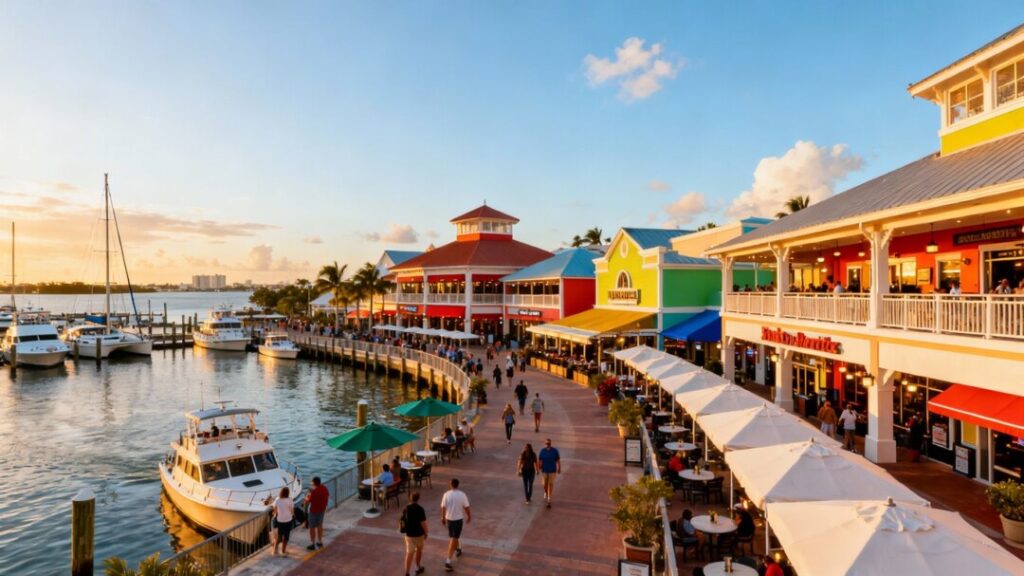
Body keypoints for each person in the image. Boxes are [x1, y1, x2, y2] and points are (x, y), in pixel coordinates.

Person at [440, 478, 471, 572]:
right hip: (458, 520)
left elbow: (443, 507)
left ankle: (454, 554)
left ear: (450, 485)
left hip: (449, 519)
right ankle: (452, 556)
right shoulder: (462, 495)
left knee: (453, 537)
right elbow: (466, 507)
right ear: (458, 485)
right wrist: (469, 516)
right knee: (454, 538)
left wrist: (443, 517)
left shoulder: (446, 494)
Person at [402, 491, 428, 576]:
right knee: (419, 551)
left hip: (409, 535)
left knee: (409, 553)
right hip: (419, 534)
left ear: (410, 498)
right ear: (418, 499)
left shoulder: (406, 508)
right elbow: (423, 523)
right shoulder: (420, 509)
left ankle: (407, 572)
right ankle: (418, 567)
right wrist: (426, 532)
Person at [304, 476, 329, 550]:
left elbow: (308, 501)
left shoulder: (313, 492)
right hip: (322, 510)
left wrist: (307, 496)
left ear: (314, 483)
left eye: (312, 482)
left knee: (312, 527)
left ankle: (312, 543)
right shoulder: (324, 488)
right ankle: (320, 541)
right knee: (320, 526)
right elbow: (327, 495)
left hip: (314, 511)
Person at [537, 438, 561, 508]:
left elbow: (558, 460)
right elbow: (540, 461)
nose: (547, 445)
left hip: (552, 471)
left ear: (551, 444)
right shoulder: (542, 451)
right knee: (544, 484)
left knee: (550, 484)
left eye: (549, 444)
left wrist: (559, 468)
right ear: (545, 444)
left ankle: (549, 499)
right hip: (544, 470)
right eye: (546, 444)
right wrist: (538, 468)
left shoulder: (555, 451)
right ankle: (546, 492)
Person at [272, 486, 295, 556]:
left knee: (279, 536)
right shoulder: (290, 500)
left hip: (280, 520)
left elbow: (274, 509)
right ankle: (283, 551)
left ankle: (275, 551)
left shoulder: (277, 500)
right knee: (286, 536)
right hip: (288, 520)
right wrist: (293, 514)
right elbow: (292, 510)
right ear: (288, 493)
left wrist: (275, 513)